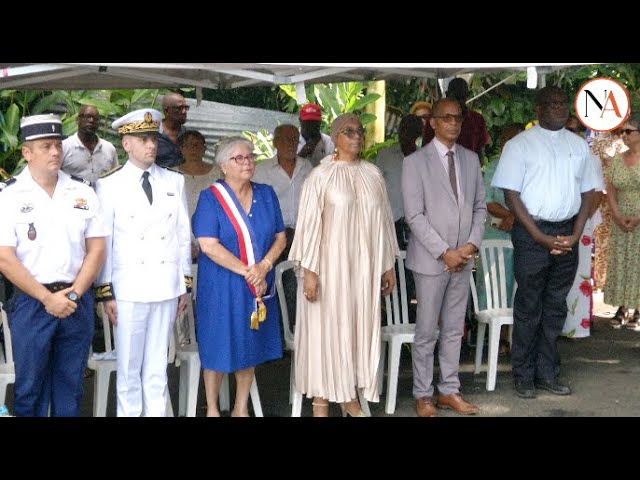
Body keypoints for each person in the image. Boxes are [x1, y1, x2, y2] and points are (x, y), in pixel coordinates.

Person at [491, 86, 601, 399]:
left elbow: (589, 192)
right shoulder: (519, 145)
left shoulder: (579, 145)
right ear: (538, 109)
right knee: (529, 306)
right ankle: (523, 375)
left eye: (563, 103)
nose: (559, 108)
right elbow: (511, 195)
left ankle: (547, 372)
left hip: (568, 231)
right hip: (531, 233)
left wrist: (576, 234)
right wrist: (540, 237)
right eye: (551, 103)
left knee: (555, 307)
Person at [289, 113, 398, 417]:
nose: (357, 136)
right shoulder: (320, 177)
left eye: (360, 131)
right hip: (329, 270)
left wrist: (387, 265)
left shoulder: (373, 174)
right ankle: (322, 404)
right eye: (348, 132)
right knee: (328, 332)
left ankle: (349, 395)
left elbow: (384, 223)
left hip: (363, 271)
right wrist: (310, 272)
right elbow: (309, 226)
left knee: (356, 329)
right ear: (335, 137)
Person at [0, 114, 107, 416]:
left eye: (58, 145)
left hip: (76, 300)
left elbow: (96, 249)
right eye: (46, 146)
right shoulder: (8, 196)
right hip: (32, 303)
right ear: (27, 152)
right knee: (30, 388)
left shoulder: (82, 191)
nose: (55, 152)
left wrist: (73, 295)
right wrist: (47, 299)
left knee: (70, 387)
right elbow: (5, 257)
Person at [95, 108, 192, 417]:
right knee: (128, 371)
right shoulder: (109, 185)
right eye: (143, 139)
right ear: (126, 144)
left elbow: (182, 235)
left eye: (153, 139)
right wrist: (105, 290)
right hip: (129, 288)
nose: (151, 145)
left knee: (157, 369)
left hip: (165, 284)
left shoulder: (174, 181)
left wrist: (183, 284)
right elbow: (105, 241)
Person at [402, 98, 486, 417]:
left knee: (454, 328)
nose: (453, 123)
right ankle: (423, 394)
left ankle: (449, 390)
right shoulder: (415, 162)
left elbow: (480, 208)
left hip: (462, 259)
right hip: (430, 261)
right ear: (432, 123)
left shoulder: (470, 159)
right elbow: (414, 215)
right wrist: (444, 252)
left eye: (458, 118)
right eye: (446, 118)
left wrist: (468, 247)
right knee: (426, 330)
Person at [192, 136, 286, 417]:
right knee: (217, 344)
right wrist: (249, 271)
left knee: (249, 343)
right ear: (223, 166)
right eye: (239, 158)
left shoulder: (266, 194)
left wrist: (265, 266)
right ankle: (211, 408)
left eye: (250, 157)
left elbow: (281, 238)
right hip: (222, 284)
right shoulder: (210, 198)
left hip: (257, 284)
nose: (247, 162)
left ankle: (240, 407)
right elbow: (208, 244)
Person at [252, 124, 313, 329]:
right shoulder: (261, 170)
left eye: (294, 140)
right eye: (285, 139)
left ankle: (296, 332)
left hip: (303, 235)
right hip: (273, 238)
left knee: (298, 284)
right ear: (275, 142)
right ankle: (275, 333)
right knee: (272, 284)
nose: (290, 144)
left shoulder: (308, 167)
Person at [477, 124, 524, 354]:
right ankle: (498, 337)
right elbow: (487, 201)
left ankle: (518, 338)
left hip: (521, 235)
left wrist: (515, 217)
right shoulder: (494, 167)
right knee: (496, 286)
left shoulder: (529, 167)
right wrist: (511, 215)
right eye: (507, 139)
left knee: (520, 286)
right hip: (496, 235)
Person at [175, 130, 222, 345]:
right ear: (181, 148)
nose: (194, 148)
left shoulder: (217, 174)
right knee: (183, 295)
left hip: (214, 244)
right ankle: (185, 343)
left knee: (211, 296)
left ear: (205, 147)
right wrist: (185, 244)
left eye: (198, 144)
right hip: (181, 246)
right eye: (188, 144)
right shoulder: (172, 176)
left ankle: (211, 337)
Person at [603, 116, 640, 329]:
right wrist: (617, 216)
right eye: (621, 132)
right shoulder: (617, 159)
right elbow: (611, 190)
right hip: (620, 217)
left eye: (628, 131)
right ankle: (623, 306)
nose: (623, 136)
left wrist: (637, 218)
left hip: (638, 217)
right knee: (622, 261)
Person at [375, 114, 424, 250]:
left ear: (418, 133)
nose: (405, 133)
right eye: (403, 129)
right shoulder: (386, 155)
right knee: (394, 267)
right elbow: (375, 187)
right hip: (390, 223)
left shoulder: (424, 160)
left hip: (416, 226)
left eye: (410, 129)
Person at [423, 78, 490, 163]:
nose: (458, 102)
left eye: (461, 97)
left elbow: (480, 153)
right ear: (447, 95)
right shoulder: (435, 120)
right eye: (455, 97)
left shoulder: (477, 119)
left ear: (467, 96)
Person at [62, 105, 119, 187]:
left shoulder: (109, 149)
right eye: (87, 117)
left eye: (95, 118)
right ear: (77, 120)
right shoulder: (65, 147)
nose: (91, 120)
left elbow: (115, 178)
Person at [156, 93, 189, 168]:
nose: (184, 112)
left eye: (186, 107)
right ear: (167, 111)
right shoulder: (153, 134)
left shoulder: (187, 134)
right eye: (179, 108)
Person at [296, 103, 335, 167]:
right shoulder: (288, 142)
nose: (311, 126)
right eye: (307, 122)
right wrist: (303, 153)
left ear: (320, 122)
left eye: (314, 122)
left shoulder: (329, 142)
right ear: (300, 121)